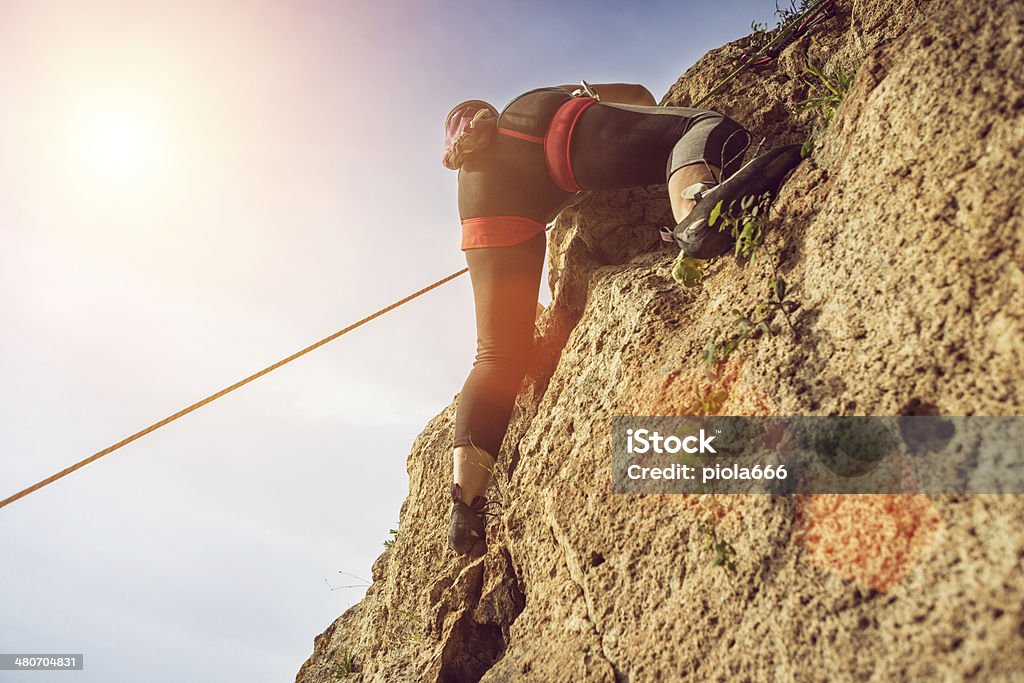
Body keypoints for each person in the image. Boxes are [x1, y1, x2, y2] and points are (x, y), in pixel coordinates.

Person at [443, 82, 802, 554]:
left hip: (486, 219)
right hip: (547, 140)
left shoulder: (470, 177)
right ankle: (695, 208)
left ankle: (465, 504)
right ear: (486, 111)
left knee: (497, 355)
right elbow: (639, 95)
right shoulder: (522, 109)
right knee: (701, 126)